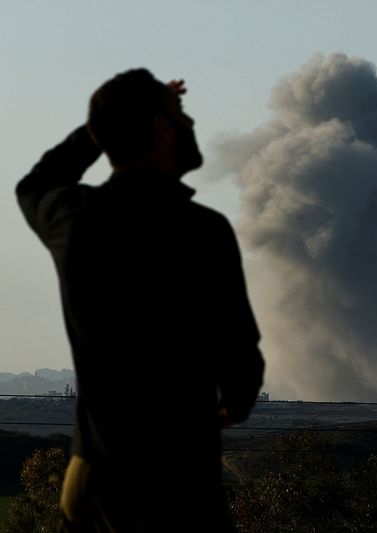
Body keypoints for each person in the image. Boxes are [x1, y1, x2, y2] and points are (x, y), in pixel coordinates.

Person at [16, 69, 265, 531]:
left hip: (93, 475)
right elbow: (241, 369)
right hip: (177, 483)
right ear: (160, 129)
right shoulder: (203, 232)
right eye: (180, 116)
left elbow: (34, 186)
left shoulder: (75, 221)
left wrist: (100, 130)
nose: (190, 125)